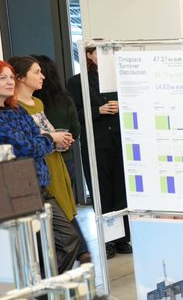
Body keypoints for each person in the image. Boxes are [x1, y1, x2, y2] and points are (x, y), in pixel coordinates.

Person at [0, 60, 85, 275]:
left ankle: (47, 288)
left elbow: (34, 140)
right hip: (15, 192)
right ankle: (43, 289)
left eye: (11, 77)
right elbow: (25, 148)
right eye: (3, 78)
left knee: (67, 240)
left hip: (39, 185)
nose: (9, 82)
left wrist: (44, 139)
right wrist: (49, 138)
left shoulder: (17, 110)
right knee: (33, 250)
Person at [67, 41, 132, 259]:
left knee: (121, 189)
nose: (105, 55)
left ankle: (123, 238)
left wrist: (123, 106)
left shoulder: (119, 78)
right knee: (101, 190)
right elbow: (75, 114)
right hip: (96, 142)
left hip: (120, 140)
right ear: (89, 55)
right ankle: (108, 240)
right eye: (100, 51)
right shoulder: (77, 82)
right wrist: (98, 110)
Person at [31, 55, 83, 205]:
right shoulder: (65, 100)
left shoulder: (32, 103)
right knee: (65, 203)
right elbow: (75, 131)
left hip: (39, 161)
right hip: (65, 157)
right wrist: (64, 139)